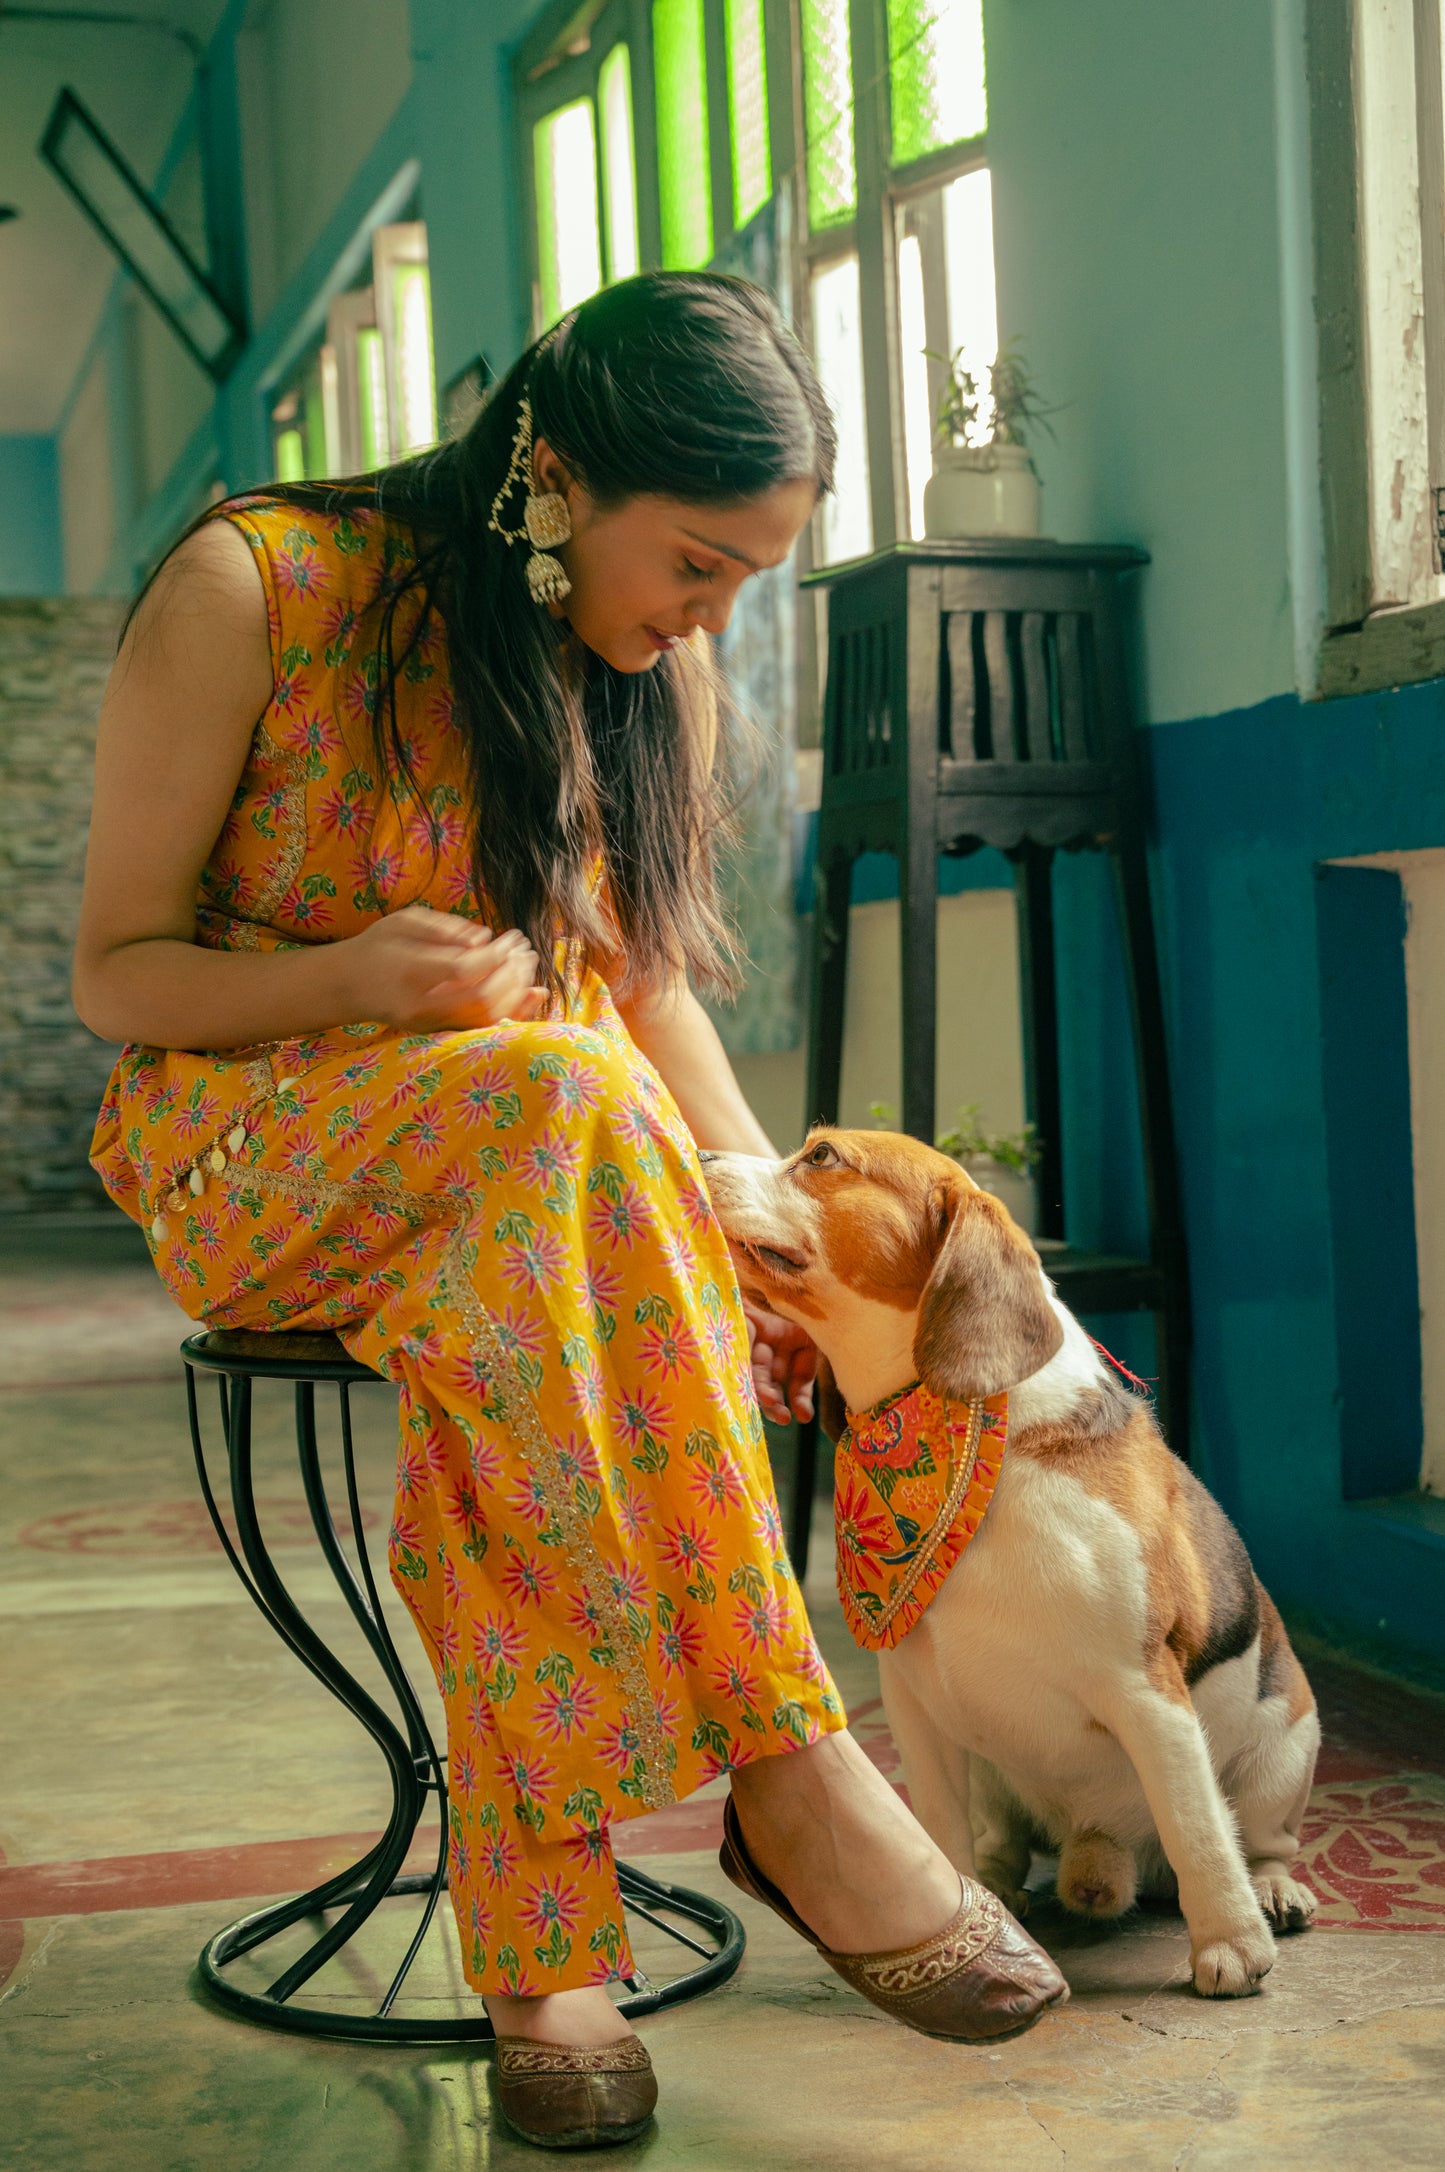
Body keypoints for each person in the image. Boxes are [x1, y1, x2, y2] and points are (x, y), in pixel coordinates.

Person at [74, 273, 1065, 2151]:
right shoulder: (254, 588)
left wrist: (752, 1219)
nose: (712, 620)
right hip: (246, 1138)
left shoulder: (633, 663)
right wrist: (353, 982)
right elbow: (115, 977)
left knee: (530, 1271)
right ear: (554, 475)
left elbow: (638, 981)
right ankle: (793, 1771)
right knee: (558, 1109)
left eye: (747, 583)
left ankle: (545, 1956)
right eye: (696, 565)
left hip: (525, 1178)